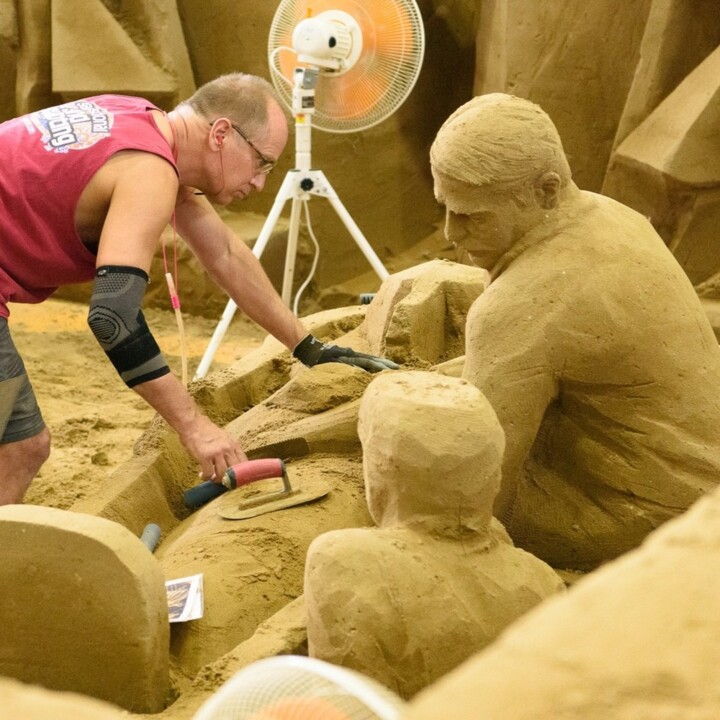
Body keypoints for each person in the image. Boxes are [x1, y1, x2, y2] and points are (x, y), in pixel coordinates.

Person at [0, 72, 396, 505]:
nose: (261, 181)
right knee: (17, 442)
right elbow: (113, 317)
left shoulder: (141, 119)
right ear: (222, 133)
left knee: (20, 446)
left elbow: (223, 251)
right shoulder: (150, 172)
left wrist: (307, 346)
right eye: (262, 161)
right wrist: (195, 427)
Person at [430, 93, 720, 570]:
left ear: (546, 191)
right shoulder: (614, 215)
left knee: (427, 490)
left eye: (471, 215)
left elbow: (481, 502)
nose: (449, 233)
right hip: (697, 484)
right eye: (446, 206)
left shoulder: (520, 306)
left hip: (654, 518)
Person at [304, 371, 564, 699]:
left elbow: (345, 705)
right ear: (493, 477)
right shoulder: (543, 582)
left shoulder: (343, 560)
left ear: (380, 471)